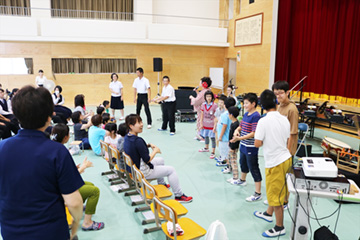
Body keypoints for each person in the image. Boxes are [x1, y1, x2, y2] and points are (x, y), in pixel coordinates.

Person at [0, 86, 84, 240]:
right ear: (48, 117)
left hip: (11, 232)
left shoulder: (2, 148)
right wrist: (75, 228)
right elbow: (74, 202)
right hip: (51, 232)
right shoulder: (57, 151)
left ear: (17, 115)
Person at [124, 114, 193, 203]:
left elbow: (137, 148)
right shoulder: (138, 140)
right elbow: (147, 159)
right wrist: (155, 151)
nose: (142, 124)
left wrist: (148, 145)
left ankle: (162, 184)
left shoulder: (127, 137)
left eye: (141, 122)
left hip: (134, 169)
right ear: (131, 126)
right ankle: (179, 195)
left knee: (160, 160)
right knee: (171, 170)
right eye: (139, 123)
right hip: (143, 172)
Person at [51, 124, 105, 231]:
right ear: (66, 137)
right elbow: (70, 178)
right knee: (94, 191)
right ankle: (87, 223)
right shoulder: (62, 151)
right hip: (62, 190)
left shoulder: (52, 148)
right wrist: (83, 167)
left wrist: (74, 169)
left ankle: (77, 208)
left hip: (55, 186)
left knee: (90, 185)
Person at [253, 89, 292, 238]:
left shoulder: (263, 121)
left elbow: (257, 143)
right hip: (286, 158)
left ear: (261, 104)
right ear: (275, 102)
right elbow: (287, 138)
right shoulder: (284, 119)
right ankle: (268, 213)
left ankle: (279, 226)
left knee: (276, 196)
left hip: (275, 162)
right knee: (278, 191)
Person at [271, 80, 299, 209]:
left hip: (286, 150)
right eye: (275, 94)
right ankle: (277, 199)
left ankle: (285, 201)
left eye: (280, 93)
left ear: (288, 92)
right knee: (277, 176)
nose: (278, 96)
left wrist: (287, 153)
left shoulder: (292, 109)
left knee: (285, 177)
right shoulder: (280, 106)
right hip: (278, 147)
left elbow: (293, 133)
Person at [231, 93, 262, 201]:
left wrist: (239, 139)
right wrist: (236, 130)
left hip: (251, 146)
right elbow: (241, 125)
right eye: (244, 103)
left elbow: (254, 133)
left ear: (253, 104)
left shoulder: (256, 116)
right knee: (243, 162)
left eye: (247, 103)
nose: (244, 105)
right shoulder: (246, 114)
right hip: (243, 145)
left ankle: (258, 193)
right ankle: (242, 180)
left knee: (253, 167)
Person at [216, 97, 236, 168]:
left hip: (224, 137)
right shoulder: (231, 114)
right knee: (227, 152)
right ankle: (226, 162)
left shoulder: (225, 114)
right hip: (228, 136)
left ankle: (227, 165)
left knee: (226, 153)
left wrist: (220, 136)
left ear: (225, 105)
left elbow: (224, 126)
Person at [198, 90, 218, 159]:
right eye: (207, 96)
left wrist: (215, 126)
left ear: (212, 97)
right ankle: (206, 147)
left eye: (210, 96)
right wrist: (201, 123)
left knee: (212, 138)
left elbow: (216, 116)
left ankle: (213, 152)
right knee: (206, 136)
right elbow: (202, 114)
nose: (208, 98)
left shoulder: (215, 105)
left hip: (212, 125)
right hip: (205, 123)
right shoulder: (203, 105)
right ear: (205, 97)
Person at [223, 106, 240, 180]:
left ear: (231, 115)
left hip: (234, 146)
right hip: (231, 144)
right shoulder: (233, 123)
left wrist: (232, 146)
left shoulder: (235, 124)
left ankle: (235, 177)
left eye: (229, 114)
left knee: (233, 161)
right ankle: (229, 169)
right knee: (229, 158)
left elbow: (235, 137)